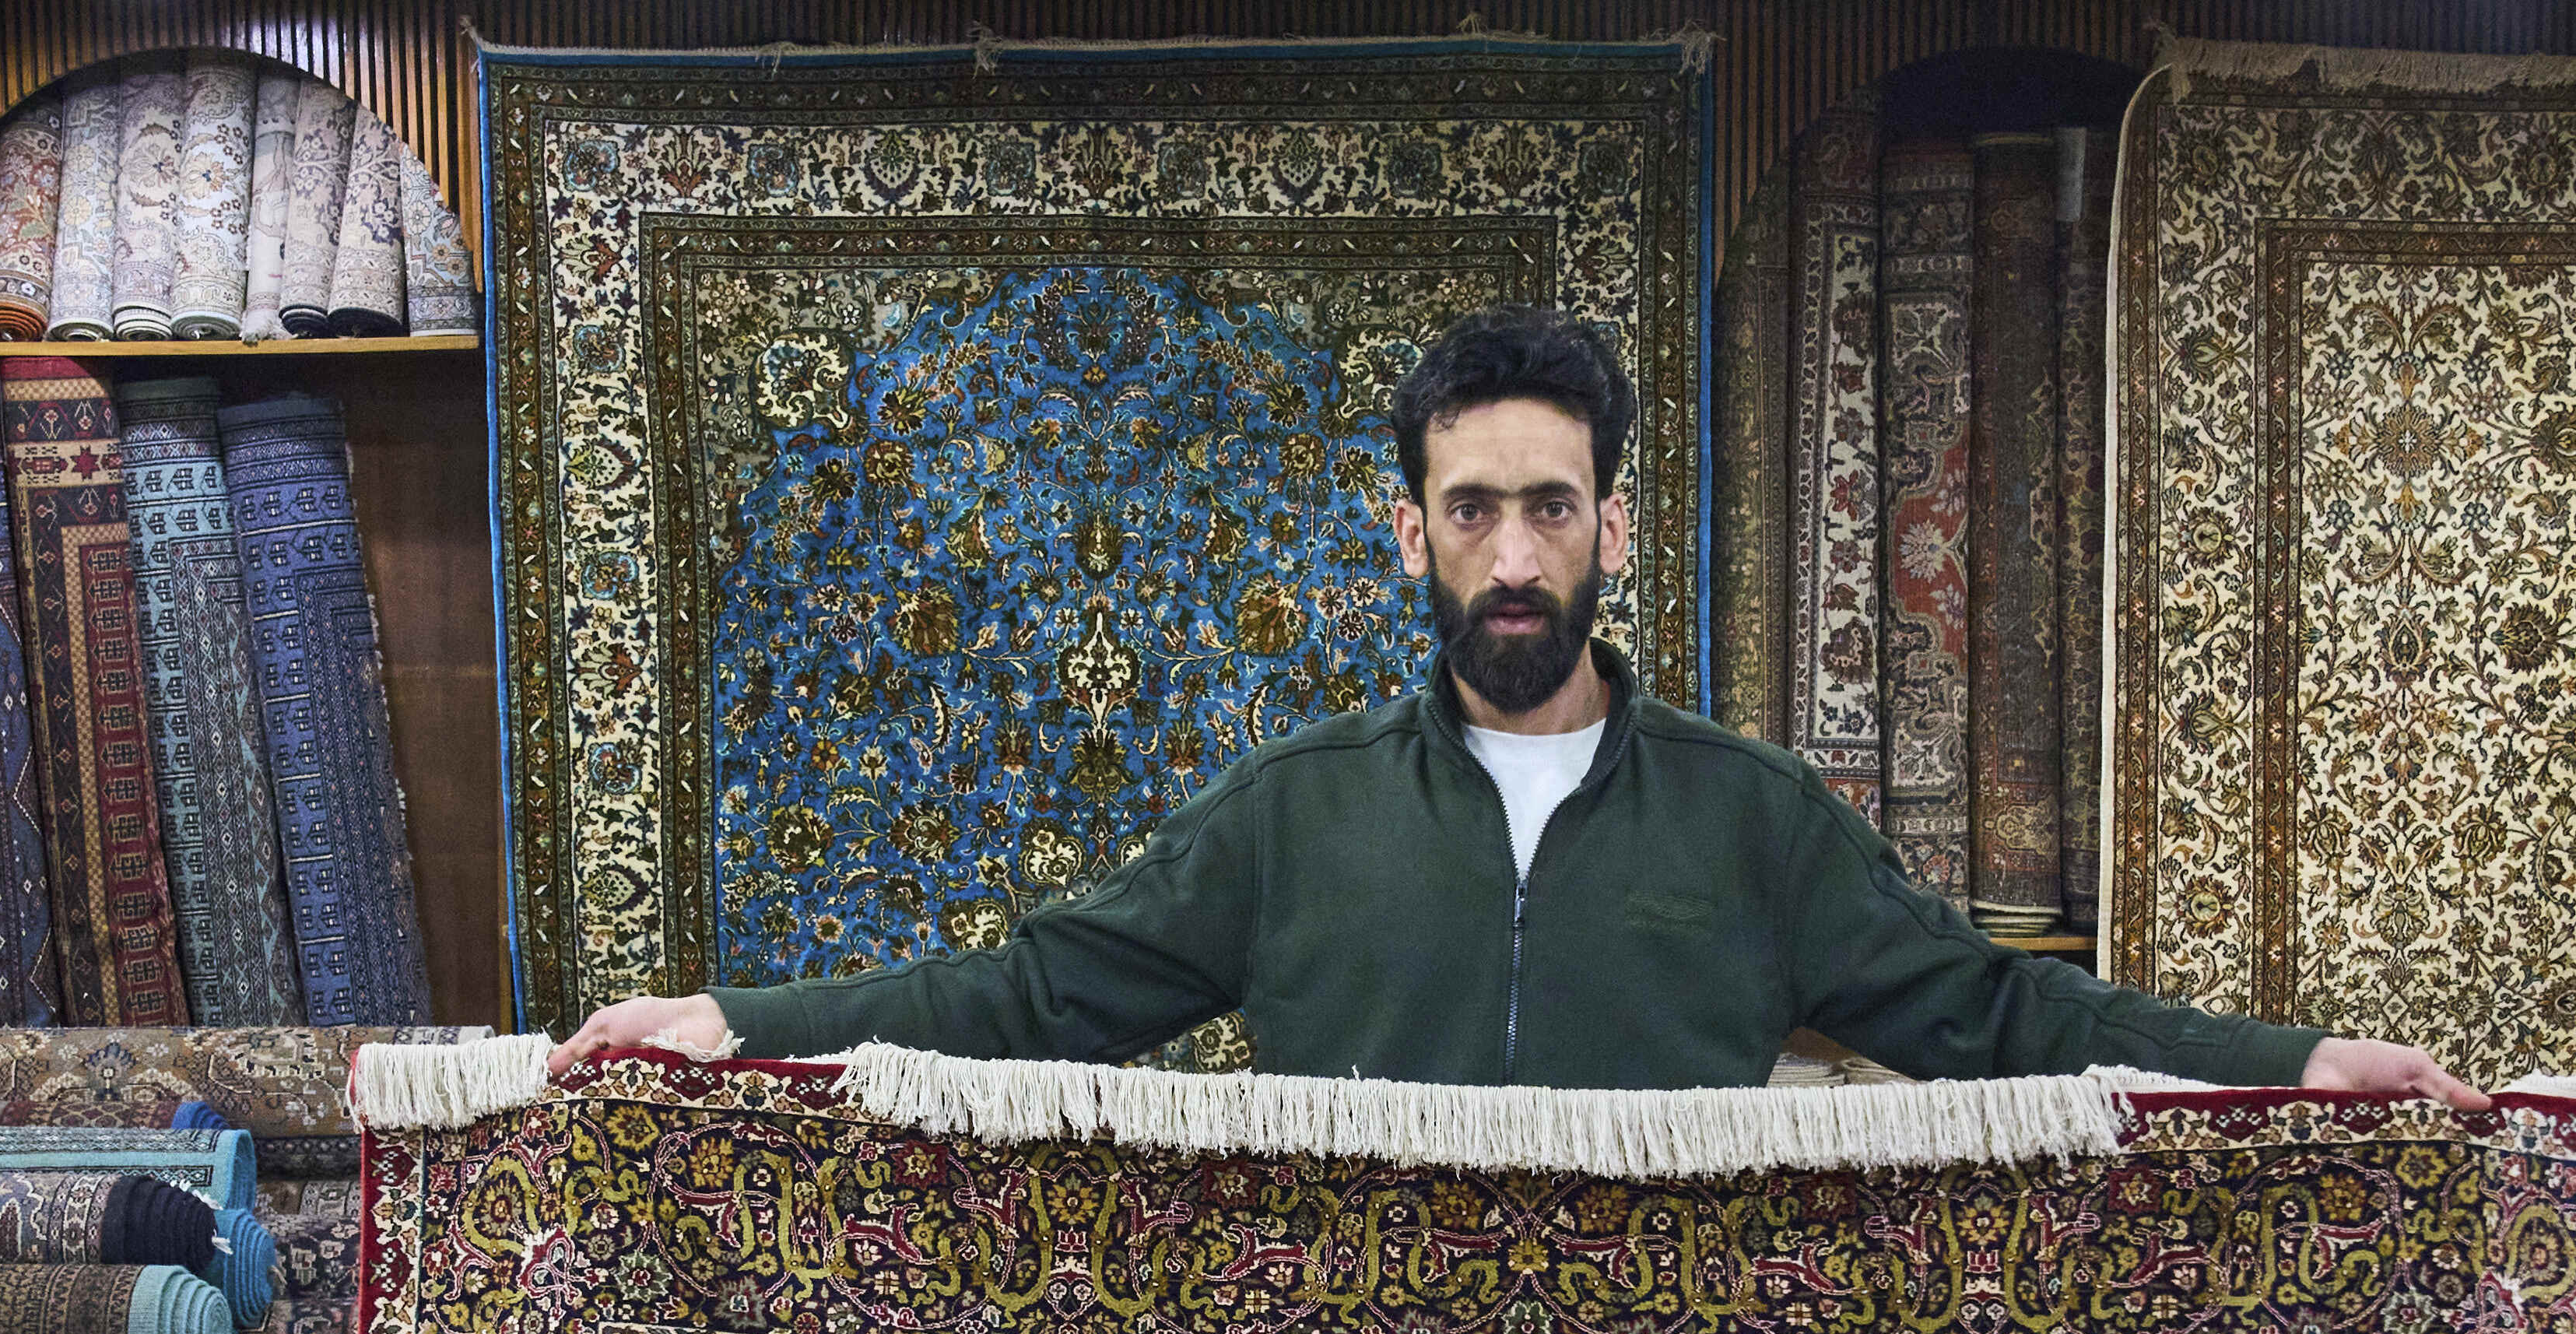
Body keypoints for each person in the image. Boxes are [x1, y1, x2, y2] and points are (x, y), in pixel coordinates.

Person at [555, 304, 2477, 1107]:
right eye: (1470, 509)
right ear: (1413, 534)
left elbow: (1998, 1015)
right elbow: (1038, 992)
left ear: (1609, 528)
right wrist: (742, 1025)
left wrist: (2290, 1069)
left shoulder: (1750, 818)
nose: (1512, 552)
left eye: (1548, 506)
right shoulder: (1295, 813)